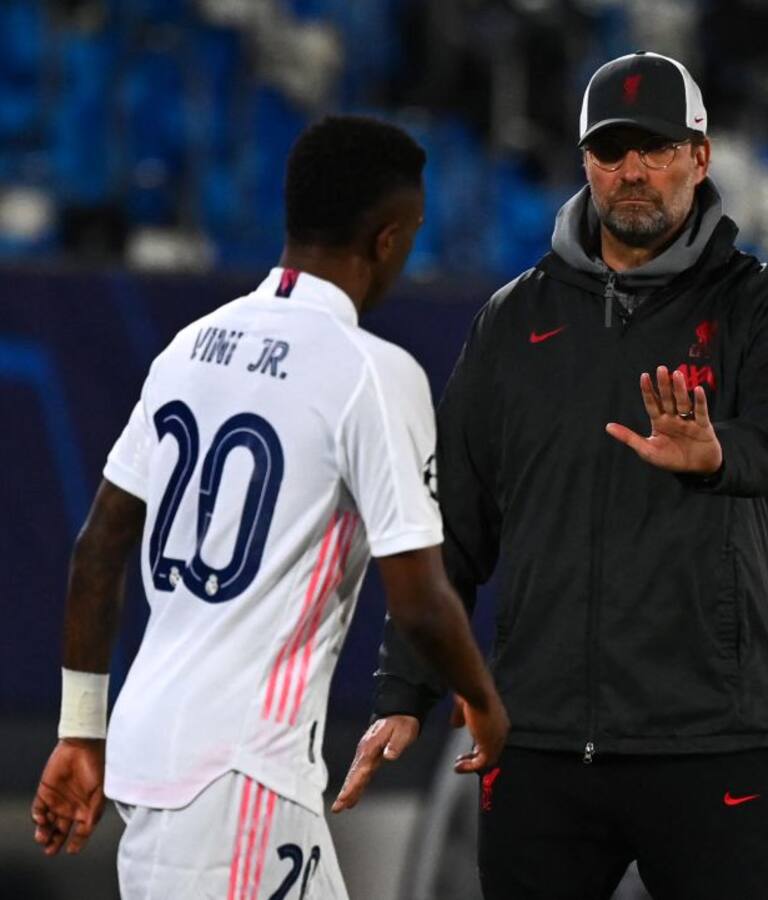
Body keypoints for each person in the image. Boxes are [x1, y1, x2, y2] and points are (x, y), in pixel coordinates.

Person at [336, 51, 768, 900]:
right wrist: (405, 690)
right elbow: (452, 525)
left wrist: (717, 455)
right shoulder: (512, 319)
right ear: (586, 163)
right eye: (610, 150)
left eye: (656, 148)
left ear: (700, 157)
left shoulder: (761, 304)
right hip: (540, 739)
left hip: (714, 736)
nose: (632, 171)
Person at [30, 115, 508, 899]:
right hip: (239, 768)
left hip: (165, 750)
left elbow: (99, 546)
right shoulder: (371, 372)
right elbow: (420, 599)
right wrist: (483, 700)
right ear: (388, 238)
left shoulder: (190, 345)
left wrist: (82, 730)